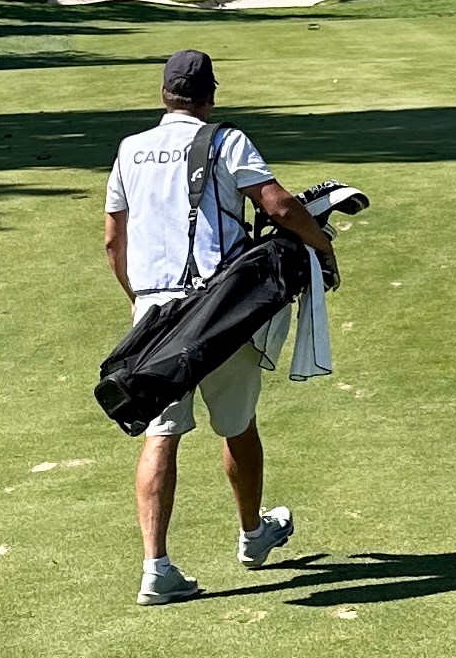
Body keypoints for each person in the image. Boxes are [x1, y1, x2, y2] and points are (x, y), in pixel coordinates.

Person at [102, 49, 337, 606]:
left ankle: (155, 569)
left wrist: (141, 305)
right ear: (209, 96)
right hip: (222, 311)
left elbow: (114, 239)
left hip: (155, 318)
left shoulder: (130, 148)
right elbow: (279, 206)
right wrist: (322, 247)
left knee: (161, 434)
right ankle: (253, 536)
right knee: (237, 425)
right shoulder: (227, 141)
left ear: (165, 94)